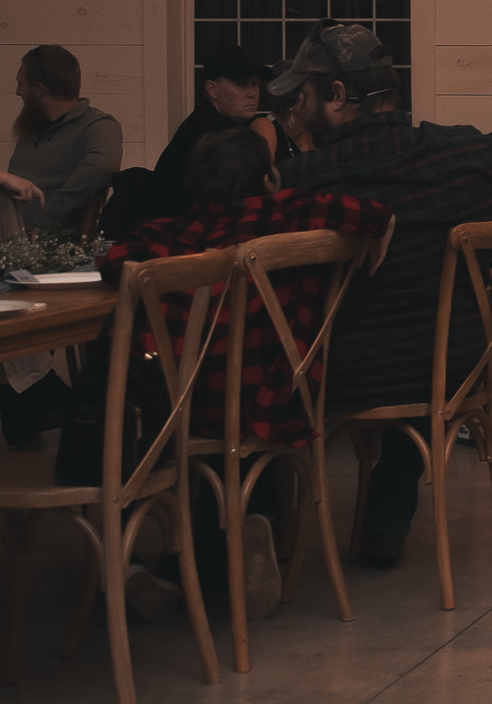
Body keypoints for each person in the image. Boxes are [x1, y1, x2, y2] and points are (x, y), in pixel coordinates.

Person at [272, 24, 492, 568]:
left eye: (301, 99)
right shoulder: (462, 151)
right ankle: (387, 512)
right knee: (425, 346)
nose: (295, 114)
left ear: (336, 96)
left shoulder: (300, 178)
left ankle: (265, 531)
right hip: (453, 367)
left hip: (333, 375)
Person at [102, 126, 388, 614]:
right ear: (269, 177)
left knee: (120, 381)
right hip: (275, 396)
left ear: (193, 187)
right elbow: (368, 214)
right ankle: (245, 527)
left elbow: (112, 261)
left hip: (181, 406)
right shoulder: (287, 214)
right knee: (233, 419)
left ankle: (154, 561)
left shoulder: (164, 235)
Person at [137, 47, 288, 224]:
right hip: (187, 236)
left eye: (255, 84)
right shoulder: (212, 135)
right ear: (212, 90)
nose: (252, 93)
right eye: (241, 84)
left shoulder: (222, 125)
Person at [2, 44, 122, 237]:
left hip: (45, 247)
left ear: (38, 89)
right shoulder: (31, 127)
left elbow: (103, 165)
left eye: (20, 84)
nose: (17, 92)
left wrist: (48, 219)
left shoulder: (97, 125)